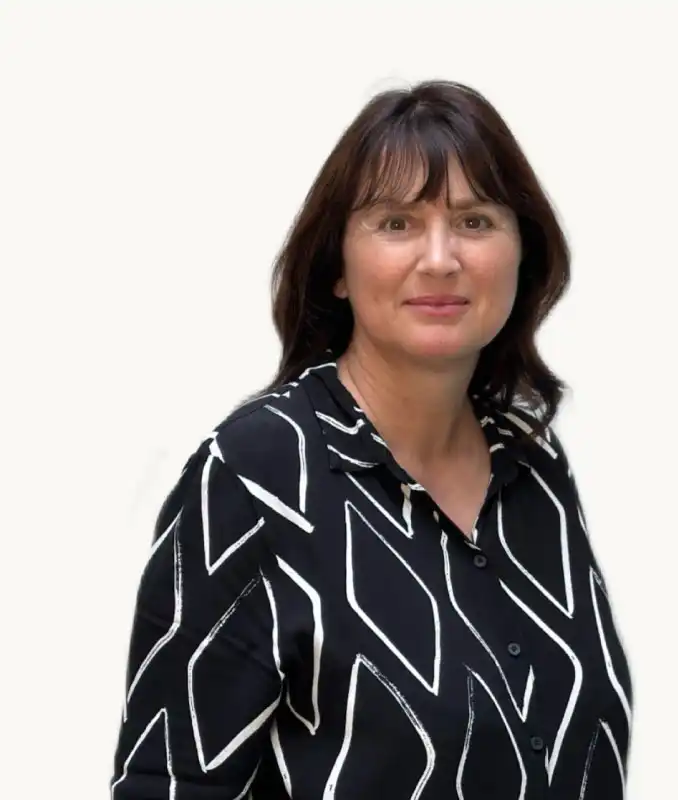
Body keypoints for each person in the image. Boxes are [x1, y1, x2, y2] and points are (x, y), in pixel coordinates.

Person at [110, 79, 633, 799]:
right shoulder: (255, 480)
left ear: (523, 254)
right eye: (396, 223)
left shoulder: (532, 463)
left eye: (475, 221)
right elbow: (169, 784)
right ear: (337, 268)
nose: (441, 258)